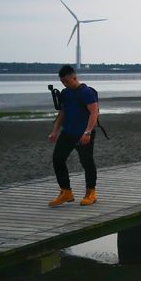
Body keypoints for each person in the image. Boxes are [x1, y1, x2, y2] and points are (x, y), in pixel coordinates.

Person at [48, 64, 100, 206]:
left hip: (84, 133)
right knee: (58, 159)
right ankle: (66, 192)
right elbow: (62, 113)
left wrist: (87, 132)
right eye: (63, 82)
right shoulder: (65, 93)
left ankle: (91, 192)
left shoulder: (86, 92)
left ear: (74, 77)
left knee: (86, 162)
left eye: (67, 81)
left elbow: (94, 112)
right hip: (68, 133)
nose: (65, 84)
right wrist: (55, 131)